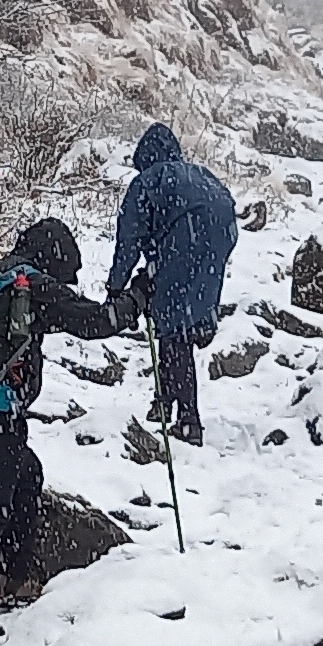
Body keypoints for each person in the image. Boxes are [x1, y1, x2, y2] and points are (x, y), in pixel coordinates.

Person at [0, 216, 125, 646]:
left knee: (27, 475)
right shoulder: (31, 287)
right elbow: (95, 322)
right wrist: (139, 299)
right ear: (54, 258)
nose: (64, 281)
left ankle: (16, 579)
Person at [108, 122, 238, 445]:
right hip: (222, 230)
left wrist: (115, 286)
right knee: (183, 318)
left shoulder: (147, 182)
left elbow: (129, 239)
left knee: (173, 330)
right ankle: (164, 402)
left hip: (187, 235)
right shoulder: (195, 173)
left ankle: (188, 420)